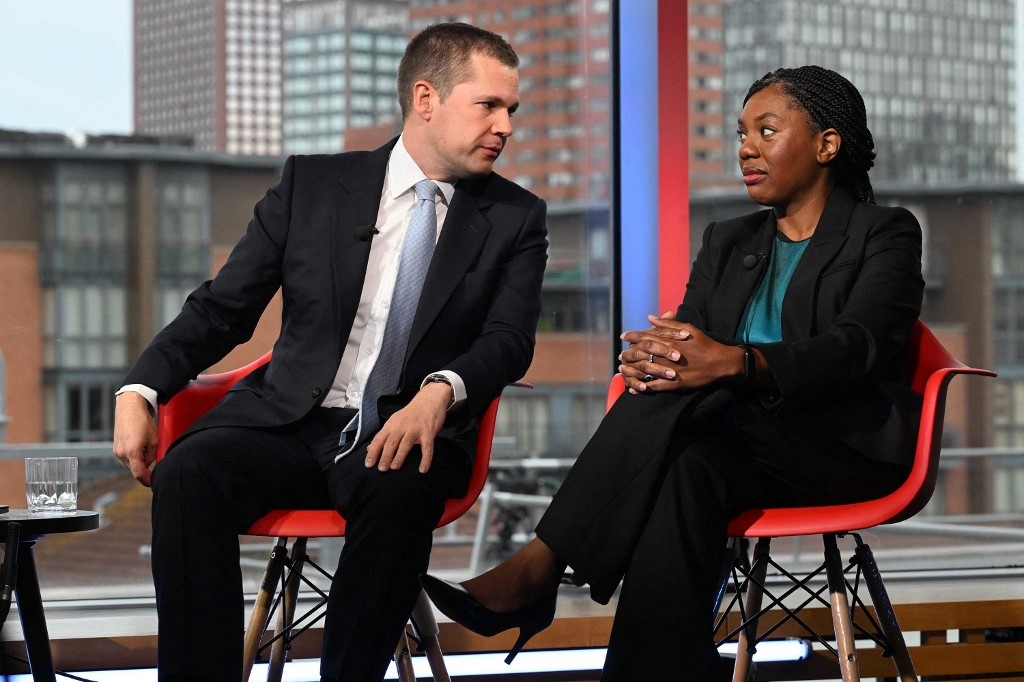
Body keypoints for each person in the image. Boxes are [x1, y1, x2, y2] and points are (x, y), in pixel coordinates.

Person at [421, 65, 925, 680]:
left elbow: (860, 347)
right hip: (735, 447)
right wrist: (655, 360)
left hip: (839, 448)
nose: (746, 149)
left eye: (767, 131)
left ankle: (541, 564)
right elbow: (688, 339)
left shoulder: (884, 233)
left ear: (827, 144)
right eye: (741, 134)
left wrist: (737, 363)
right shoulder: (728, 239)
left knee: (698, 402)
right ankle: (659, 667)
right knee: (686, 466)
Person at [112, 22, 548, 682]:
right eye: (489, 105)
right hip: (288, 421)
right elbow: (225, 307)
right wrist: (141, 388)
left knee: (399, 494)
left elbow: (510, 341)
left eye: (511, 110)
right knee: (188, 475)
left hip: (407, 430)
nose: (506, 126)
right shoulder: (313, 186)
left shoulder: (516, 218)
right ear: (425, 99)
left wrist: (440, 392)